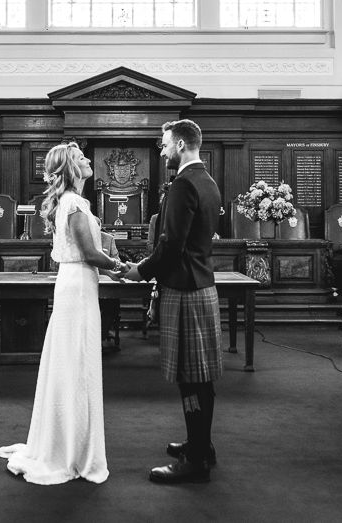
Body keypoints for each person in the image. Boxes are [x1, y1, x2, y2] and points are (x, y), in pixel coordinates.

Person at [0, 142, 125, 485]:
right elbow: (90, 252)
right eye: (81, 157)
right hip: (79, 284)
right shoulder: (75, 202)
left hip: (75, 281)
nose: (87, 160)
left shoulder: (69, 202)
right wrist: (117, 266)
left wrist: (108, 267)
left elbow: (88, 252)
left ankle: (66, 439)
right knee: (77, 361)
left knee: (71, 360)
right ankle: (71, 450)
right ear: (71, 168)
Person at [122, 119, 222, 484]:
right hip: (200, 286)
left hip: (184, 289)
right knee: (199, 377)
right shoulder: (207, 181)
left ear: (180, 144)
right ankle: (201, 444)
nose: (161, 150)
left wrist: (140, 271)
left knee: (190, 377)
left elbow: (171, 245)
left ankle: (196, 460)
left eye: (164, 144)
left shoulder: (182, 184)